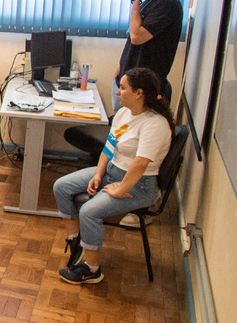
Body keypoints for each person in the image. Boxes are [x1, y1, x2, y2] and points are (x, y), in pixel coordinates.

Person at [54, 67, 172, 284]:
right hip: (112, 173)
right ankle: (76, 242)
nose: (118, 92)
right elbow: (108, 148)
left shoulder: (155, 124)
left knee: (89, 212)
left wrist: (121, 189)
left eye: (123, 88)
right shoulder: (124, 113)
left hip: (138, 185)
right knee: (61, 186)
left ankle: (91, 270)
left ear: (139, 93)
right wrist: (98, 174)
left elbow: (141, 163)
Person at [65, 0, 183, 162]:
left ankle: (108, 183)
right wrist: (121, 66)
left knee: (124, 147)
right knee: (117, 139)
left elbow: (137, 36)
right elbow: (132, 39)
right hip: (127, 83)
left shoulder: (168, 5)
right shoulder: (150, 2)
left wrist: (136, 0)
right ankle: (101, 176)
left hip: (143, 92)